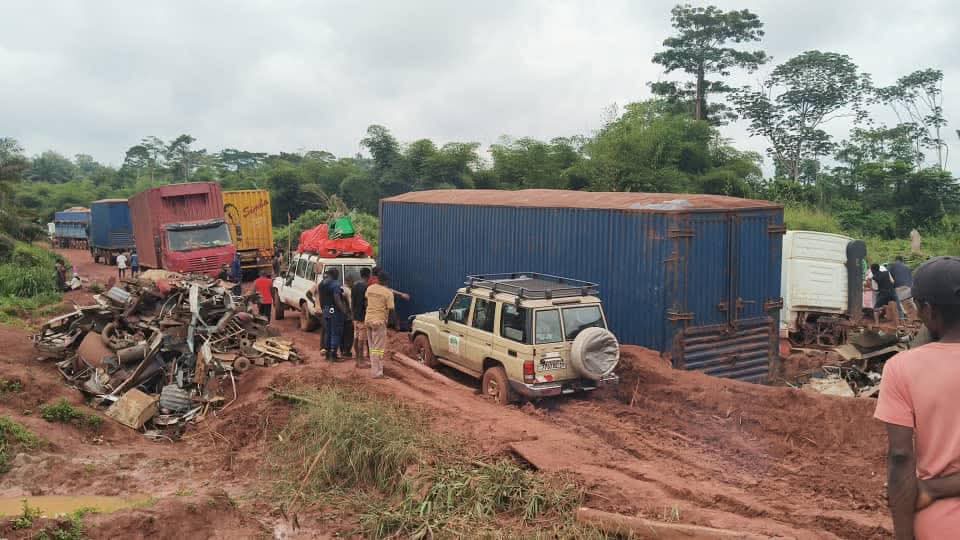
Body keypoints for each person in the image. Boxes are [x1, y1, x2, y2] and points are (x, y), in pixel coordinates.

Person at [875, 256, 960, 539]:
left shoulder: (902, 368)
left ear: (929, 310)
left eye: (919, 308)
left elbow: (900, 457)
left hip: (941, 526)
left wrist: (903, 534)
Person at [365, 271, 396, 379]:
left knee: (372, 347)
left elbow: (367, 301)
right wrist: (394, 324)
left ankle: (375, 370)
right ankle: (377, 373)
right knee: (378, 349)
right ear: (386, 281)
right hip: (379, 322)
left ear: (377, 279)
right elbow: (391, 310)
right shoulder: (388, 293)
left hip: (368, 320)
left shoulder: (370, 288)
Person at [316, 268, 350, 361]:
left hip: (326, 310)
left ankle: (327, 354)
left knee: (328, 332)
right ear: (334, 274)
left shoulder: (322, 284)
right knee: (336, 332)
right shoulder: (335, 284)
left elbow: (321, 298)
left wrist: (323, 309)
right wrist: (344, 311)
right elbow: (337, 299)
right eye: (337, 274)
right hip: (334, 310)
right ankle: (333, 355)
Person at [351, 267, 371, 367]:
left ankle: (357, 359)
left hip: (355, 316)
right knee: (361, 340)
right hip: (363, 316)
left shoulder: (355, 285)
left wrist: (352, 314)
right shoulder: (366, 287)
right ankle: (360, 361)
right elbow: (366, 303)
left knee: (356, 337)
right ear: (369, 275)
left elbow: (352, 301)